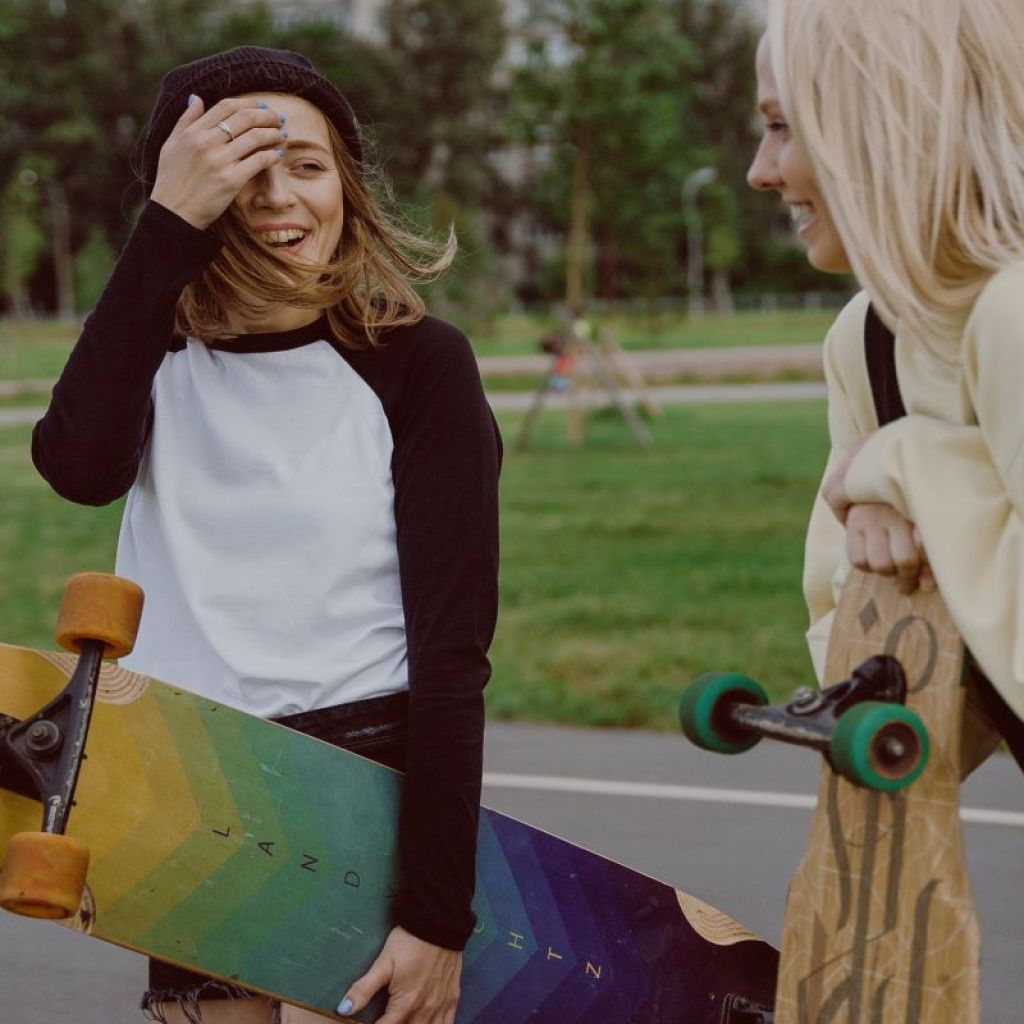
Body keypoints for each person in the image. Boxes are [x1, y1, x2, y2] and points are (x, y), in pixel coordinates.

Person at [32, 46, 501, 1024]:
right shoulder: (150, 354)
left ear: (348, 186)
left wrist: (437, 917)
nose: (280, 195)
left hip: (363, 776)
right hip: (186, 775)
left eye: (307, 164)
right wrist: (165, 228)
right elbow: (77, 469)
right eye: (243, 165)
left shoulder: (417, 364)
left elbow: (453, 658)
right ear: (190, 185)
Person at [746, 0, 1024, 770]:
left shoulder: (1013, 313)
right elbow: (896, 710)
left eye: (781, 125)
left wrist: (908, 464)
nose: (760, 172)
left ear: (881, 121)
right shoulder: (870, 338)